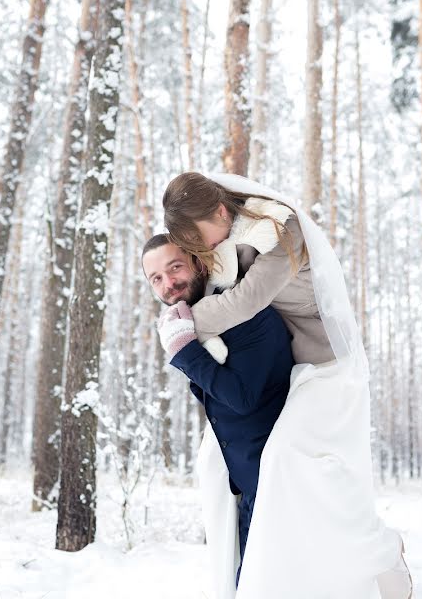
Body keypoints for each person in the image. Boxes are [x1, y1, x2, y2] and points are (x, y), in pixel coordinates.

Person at [161, 172, 412, 599]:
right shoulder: (230, 240)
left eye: (199, 237)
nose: (202, 250)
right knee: (298, 479)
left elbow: (247, 301)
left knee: (288, 459)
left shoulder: (282, 231)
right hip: (296, 369)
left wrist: (180, 328)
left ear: (220, 211)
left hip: (329, 367)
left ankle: (383, 553)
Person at [141, 234, 294, 593]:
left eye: (174, 267)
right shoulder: (201, 322)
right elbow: (215, 398)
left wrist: (184, 351)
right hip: (250, 485)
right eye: (156, 279)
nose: (168, 283)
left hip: (279, 483)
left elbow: (241, 399)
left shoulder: (247, 313)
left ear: (197, 262)